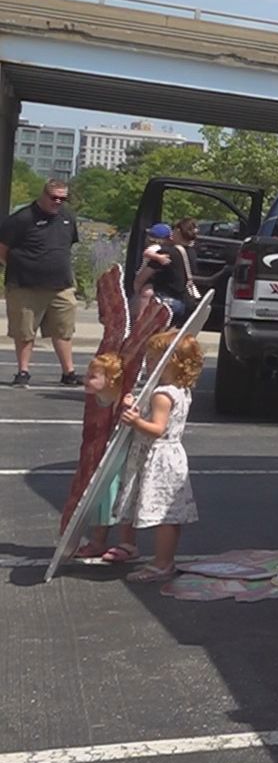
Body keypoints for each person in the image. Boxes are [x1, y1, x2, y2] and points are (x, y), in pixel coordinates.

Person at [114, 331, 202, 582]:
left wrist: (136, 421)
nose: (148, 363)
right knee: (169, 514)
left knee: (164, 514)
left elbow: (157, 429)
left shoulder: (162, 394)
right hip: (173, 455)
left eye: (153, 358)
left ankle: (163, 563)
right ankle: (164, 560)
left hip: (159, 457)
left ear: (171, 360)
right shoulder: (180, 390)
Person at [0, 178, 81, 387]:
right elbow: (3, 249)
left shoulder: (67, 218)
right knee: (25, 331)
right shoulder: (22, 218)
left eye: (63, 198)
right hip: (25, 285)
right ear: (43, 195)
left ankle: (68, 372)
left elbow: (67, 246)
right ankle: (23, 372)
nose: (58, 202)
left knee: (64, 330)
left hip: (61, 285)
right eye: (54, 197)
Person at [69, 353, 140, 563]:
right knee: (100, 499)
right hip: (103, 456)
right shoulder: (98, 399)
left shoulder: (123, 397)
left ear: (110, 380)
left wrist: (129, 407)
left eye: (92, 376)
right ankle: (98, 541)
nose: (85, 379)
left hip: (122, 458)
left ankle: (128, 543)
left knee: (123, 499)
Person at [133, 224, 192, 328]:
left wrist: (158, 257)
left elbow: (140, 279)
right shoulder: (186, 252)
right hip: (182, 302)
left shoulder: (161, 252)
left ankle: (139, 324)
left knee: (146, 292)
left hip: (163, 301)